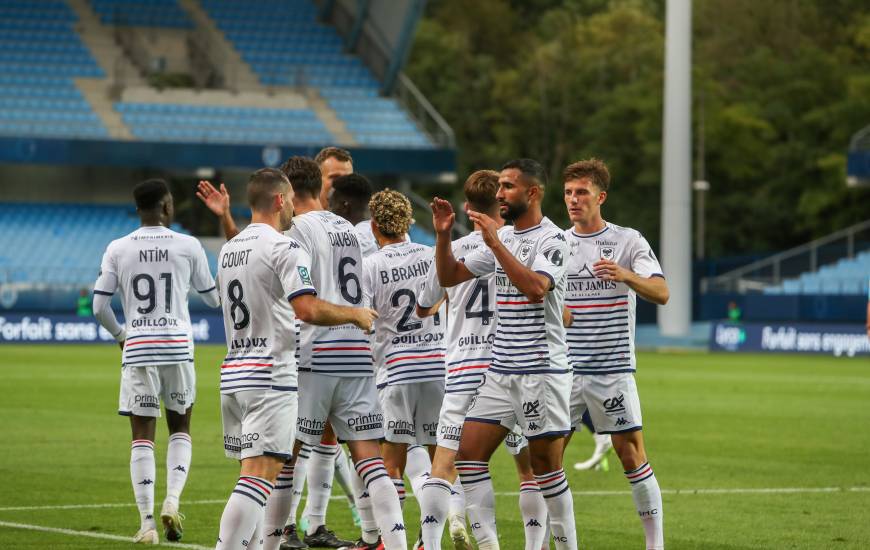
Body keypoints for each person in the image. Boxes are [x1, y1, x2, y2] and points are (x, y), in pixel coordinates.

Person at [213, 168, 378, 549]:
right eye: (288, 200)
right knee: (258, 477)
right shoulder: (282, 247)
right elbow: (305, 308)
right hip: (270, 375)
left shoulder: (228, 249)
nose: (292, 207)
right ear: (277, 200)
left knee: (253, 475)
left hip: (234, 373)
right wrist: (354, 314)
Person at [431, 159, 577, 550]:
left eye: (508, 186)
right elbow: (449, 278)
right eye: (499, 188)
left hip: (540, 371)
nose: (499, 194)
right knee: (468, 456)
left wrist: (495, 242)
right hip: (501, 369)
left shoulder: (554, 240)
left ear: (532, 192)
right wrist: (444, 236)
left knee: (545, 468)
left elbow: (535, 288)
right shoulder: (505, 237)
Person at [274, 157, 405, 550]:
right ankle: (394, 544)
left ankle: (275, 538)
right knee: (370, 460)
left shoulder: (297, 229)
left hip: (314, 352)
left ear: (289, 193)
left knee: (286, 456)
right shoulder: (350, 229)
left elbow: (300, 296)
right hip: (357, 352)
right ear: (322, 189)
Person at [92, 178, 220, 544]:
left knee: (142, 436)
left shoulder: (118, 248)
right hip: (177, 349)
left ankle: (147, 523)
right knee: (180, 428)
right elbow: (213, 300)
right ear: (166, 207)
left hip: (139, 350)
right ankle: (173, 500)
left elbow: (99, 306)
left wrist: (121, 336)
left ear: (139, 210)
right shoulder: (188, 245)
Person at [562, 158, 669, 550]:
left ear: (600, 197)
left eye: (582, 193)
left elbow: (661, 292)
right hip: (564, 371)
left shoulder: (629, 241)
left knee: (631, 456)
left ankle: (654, 545)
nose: (574, 200)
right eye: (569, 193)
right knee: (544, 459)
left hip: (612, 368)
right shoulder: (557, 244)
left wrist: (626, 275)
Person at [360, 189, 446, 546]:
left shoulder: (370, 264)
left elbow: (363, 319)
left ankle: (389, 540)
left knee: (390, 463)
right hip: (440, 366)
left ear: (375, 225)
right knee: (438, 461)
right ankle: (430, 540)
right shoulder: (431, 255)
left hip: (396, 371)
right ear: (410, 222)